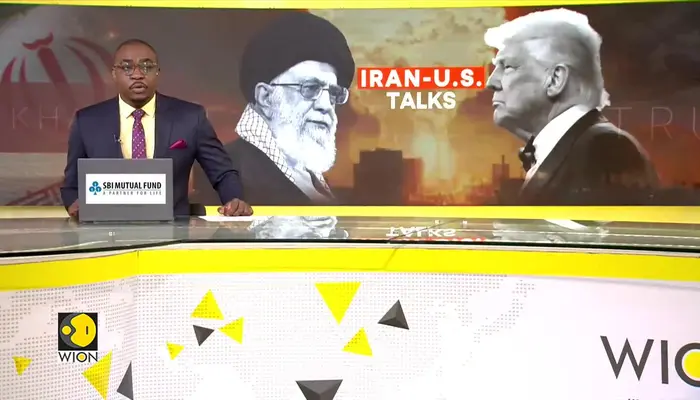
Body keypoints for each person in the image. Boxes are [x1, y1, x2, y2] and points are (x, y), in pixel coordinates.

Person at [60, 39, 252, 217]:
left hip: (173, 231)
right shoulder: (87, 121)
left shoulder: (190, 117)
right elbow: (71, 185)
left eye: (147, 66)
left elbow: (223, 172)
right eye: (127, 67)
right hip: (106, 230)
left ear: (157, 72)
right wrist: (74, 204)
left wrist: (234, 199)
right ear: (114, 74)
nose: (137, 74)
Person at [484, 9, 659, 205]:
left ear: (555, 79)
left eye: (508, 67)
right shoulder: (582, 147)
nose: (491, 81)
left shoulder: (606, 149)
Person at [192, 12, 355, 205]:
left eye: (334, 93)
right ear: (265, 97)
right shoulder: (225, 170)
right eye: (310, 88)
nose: (326, 105)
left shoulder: (306, 173)